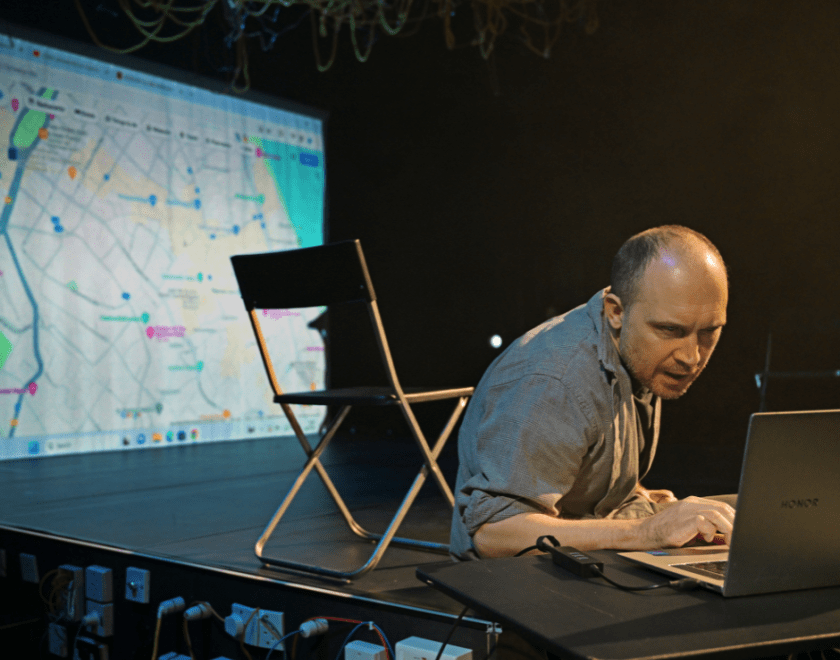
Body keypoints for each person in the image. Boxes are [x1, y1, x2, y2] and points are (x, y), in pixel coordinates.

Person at [450, 225, 736, 560]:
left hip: (580, 559)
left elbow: (587, 476)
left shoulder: (637, 352)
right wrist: (647, 530)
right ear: (616, 311)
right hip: (513, 585)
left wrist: (646, 504)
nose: (692, 357)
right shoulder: (554, 382)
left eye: (709, 331)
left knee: (738, 515)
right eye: (671, 330)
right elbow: (494, 534)